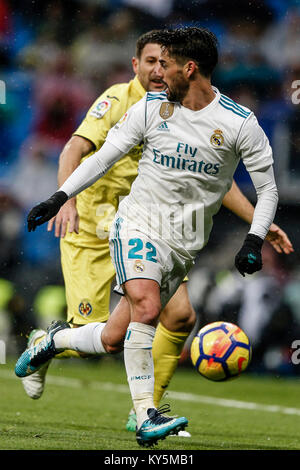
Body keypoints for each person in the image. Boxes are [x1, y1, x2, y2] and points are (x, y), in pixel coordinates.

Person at [16, 27, 280, 447]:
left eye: (168, 66)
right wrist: (61, 195)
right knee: (148, 305)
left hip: (186, 241)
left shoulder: (239, 124)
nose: (160, 75)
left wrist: (254, 237)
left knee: (110, 338)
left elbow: (264, 189)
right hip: (135, 223)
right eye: (153, 64)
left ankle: (50, 341)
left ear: (189, 68)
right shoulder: (148, 108)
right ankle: (146, 416)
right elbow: (102, 155)